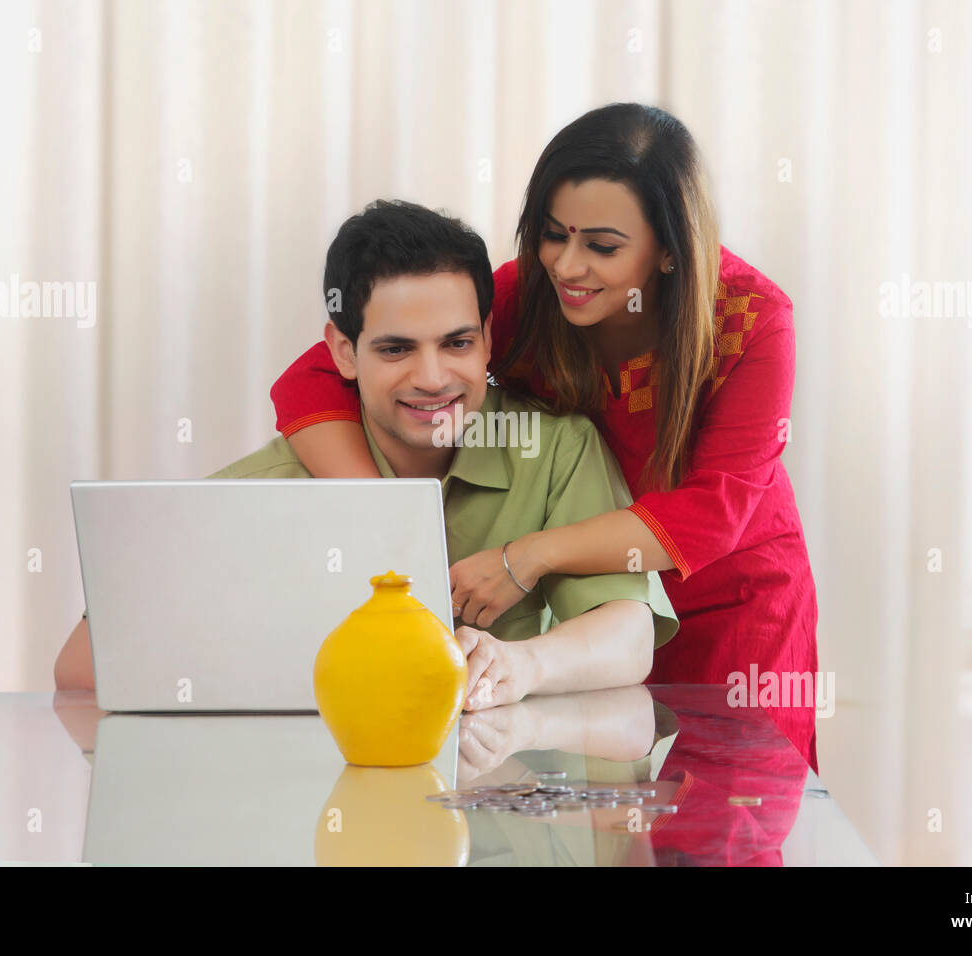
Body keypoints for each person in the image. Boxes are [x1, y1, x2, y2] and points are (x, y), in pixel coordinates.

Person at [268, 104, 821, 772]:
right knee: (618, 826)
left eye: (603, 247)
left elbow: (713, 516)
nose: (567, 265)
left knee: (727, 818)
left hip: (732, 603)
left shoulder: (754, 322)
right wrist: (385, 518)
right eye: (553, 234)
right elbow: (314, 377)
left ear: (671, 248)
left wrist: (526, 557)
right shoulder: (528, 293)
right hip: (608, 601)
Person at [55, 199, 677, 707]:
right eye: (396, 349)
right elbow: (80, 670)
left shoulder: (557, 449)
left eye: (457, 342)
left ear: (489, 338)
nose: (433, 378)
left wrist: (522, 664)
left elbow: (628, 638)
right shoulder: (260, 490)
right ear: (344, 352)